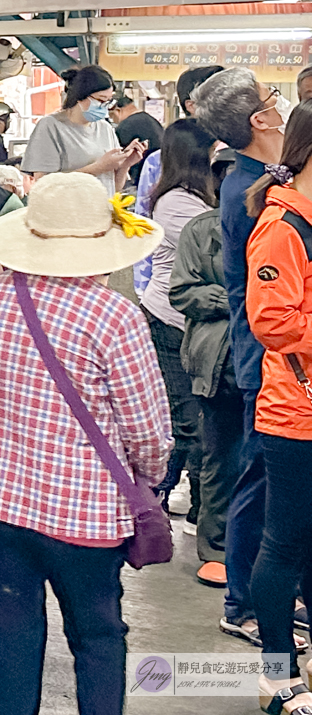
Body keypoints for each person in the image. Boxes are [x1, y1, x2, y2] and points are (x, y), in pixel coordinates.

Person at [0, 172, 172, 713]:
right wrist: (150, 478)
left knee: (11, 637)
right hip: (85, 517)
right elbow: (147, 431)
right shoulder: (116, 317)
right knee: (97, 638)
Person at [193, 65, 292, 647]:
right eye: (273, 98)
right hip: (263, 357)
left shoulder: (258, 176)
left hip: (264, 354)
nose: (279, 105)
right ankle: (242, 601)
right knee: (257, 480)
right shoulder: (250, 189)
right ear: (259, 119)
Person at [243, 103, 312, 712]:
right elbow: (273, 321)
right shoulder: (282, 227)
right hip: (294, 414)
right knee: (284, 543)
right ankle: (274, 672)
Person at [141, 119, 215, 531]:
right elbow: (218, 245)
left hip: (190, 325)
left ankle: (170, 501)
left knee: (189, 423)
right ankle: (159, 505)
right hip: (169, 323)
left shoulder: (190, 197)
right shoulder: (177, 203)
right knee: (188, 424)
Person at [170, 162, 237, 588]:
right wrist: (235, 298)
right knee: (220, 456)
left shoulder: (285, 222)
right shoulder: (201, 229)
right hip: (218, 359)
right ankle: (216, 547)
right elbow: (181, 291)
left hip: (280, 361)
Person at [135, 65, 224, 296]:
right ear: (191, 106)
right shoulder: (158, 161)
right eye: (219, 95)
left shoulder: (238, 153)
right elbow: (145, 225)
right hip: (176, 291)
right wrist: (143, 286)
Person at [20, 65, 143, 196]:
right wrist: (98, 167)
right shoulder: (51, 127)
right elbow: (44, 185)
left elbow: (113, 188)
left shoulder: (105, 128)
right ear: (80, 96)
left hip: (100, 211)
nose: (104, 107)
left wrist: (125, 164)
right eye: (101, 100)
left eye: (108, 102)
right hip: (66, 212)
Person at [113, 93, 165, 188]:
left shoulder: (125, 126)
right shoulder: (153, 122)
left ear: (117, 111)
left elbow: (118, 159)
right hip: (157, 178)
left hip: (136, 181)